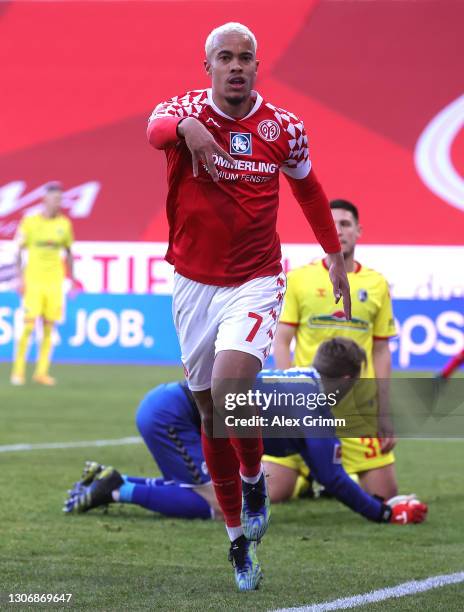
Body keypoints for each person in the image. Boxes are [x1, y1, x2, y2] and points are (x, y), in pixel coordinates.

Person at [146, 22, 350, 590]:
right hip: (191, 283)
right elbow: (155, 129)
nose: (236, 66)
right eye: (225, 58)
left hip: (256, 279)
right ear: (207, 64)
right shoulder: (184, 108)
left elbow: (307, 188)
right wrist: (190, 127)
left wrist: (333, 255)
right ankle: (237, 540)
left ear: (257, 67)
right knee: (211, 411)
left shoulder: (283, 127)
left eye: (246, 58)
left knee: (235, 386)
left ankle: (255, 475)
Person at [63, 339, 427, 528]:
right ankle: (116, 488)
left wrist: (381, 505)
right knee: (223, 505)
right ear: (348, 379)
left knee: (213, 492)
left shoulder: (302, 379)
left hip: (172, 407)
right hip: (174, 416)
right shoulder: (315, 402)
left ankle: (114, 481)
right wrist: (380, 513)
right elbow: (330, 476)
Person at [273, 199, 398, 501]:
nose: (339, 231)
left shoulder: (377, 284)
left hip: (356, 410)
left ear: (358, 231)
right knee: (271, 493)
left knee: (385, 496)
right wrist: (290, 396)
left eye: (345, 224)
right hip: (307, 407)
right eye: (331, 225)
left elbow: (381, 351)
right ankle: (310, 477)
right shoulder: (300, 279)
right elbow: (281, 340)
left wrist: (384, 412)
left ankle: (327, 474)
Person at [10, 182, 75, 386]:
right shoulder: (30, 223)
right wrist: (20, 277)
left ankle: (41, 372)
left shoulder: (64, 224)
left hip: (54, 283)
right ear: (45, 199)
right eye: (55, 198)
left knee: (49, 328)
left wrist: (71, 279)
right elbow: (18, 251)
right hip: (34, 282)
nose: (58, 202)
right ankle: (18, 371)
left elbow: (69, 253)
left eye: (60, 199)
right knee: (28, 327)